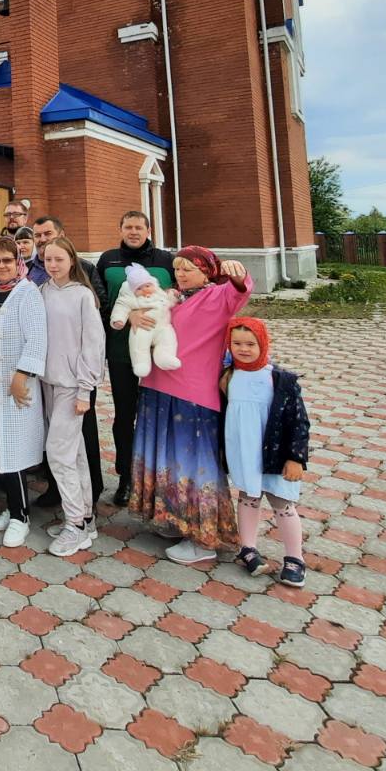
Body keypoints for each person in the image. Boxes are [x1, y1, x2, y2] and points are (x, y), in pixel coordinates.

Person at [129, 245, 251, 564]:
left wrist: (233, 270)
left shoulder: (217, 296)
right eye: (178, 268)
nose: (180, 273)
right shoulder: (170, 297)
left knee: (192, 463)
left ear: (206, 271)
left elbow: (241, 289)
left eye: (188, 268)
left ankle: (203, 536)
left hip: (193, 393)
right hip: (157, 388)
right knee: (165, 457)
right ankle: (175, 518)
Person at [90, 210, 175, 506]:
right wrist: (128, 316)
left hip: (158, 353)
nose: (134, 232)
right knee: (125, 415)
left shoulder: (166, 261)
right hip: (120, 352)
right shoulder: (108, 260)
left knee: (157, 415)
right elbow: (98, 302)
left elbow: (178, 300)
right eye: (128, 227)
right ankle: (126, 477)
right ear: (120, 229)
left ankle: (157, 479)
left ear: (148, 229)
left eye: (139, 227)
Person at [222, 318, 309, 587]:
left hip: (274, 453)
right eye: (237, 343)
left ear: (263, 343)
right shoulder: (228, 376)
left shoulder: (279, 379)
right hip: (245, 452)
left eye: (250, 344)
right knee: (248, 497)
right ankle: (247, 548)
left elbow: (298, 420)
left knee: (282, 503)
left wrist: (296, 457)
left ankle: (295, 557)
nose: (243, 349)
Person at [39, 239, 106, 556]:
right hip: (49, 383)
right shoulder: (44, 291)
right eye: (47, 259)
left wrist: (85, 389)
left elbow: (93, 344)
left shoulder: (83, 295)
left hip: (71, 386)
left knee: (58, 454)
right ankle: (87, 517)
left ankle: (75, 525)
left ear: (71, 260)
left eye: (58, 259)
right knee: (75, 453)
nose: (52, 265)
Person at [0, 236, 48, 549]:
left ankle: (22, 517)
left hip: (15, 384)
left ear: (18, 262)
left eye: (8, 260)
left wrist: (23, 375)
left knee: (16, 448)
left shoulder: (27, 292)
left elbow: (37, 339)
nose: (2, 266)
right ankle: (10, 509)